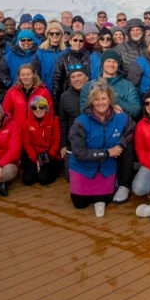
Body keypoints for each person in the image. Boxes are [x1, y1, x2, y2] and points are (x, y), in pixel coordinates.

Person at [67, 79, 135, 216]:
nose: (100, 102)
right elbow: (79, 153)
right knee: (79, 204)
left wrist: (120, 143)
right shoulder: (81, 122)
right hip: (83, 167)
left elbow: (131, 130)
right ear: (91, 101)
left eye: (104, 98)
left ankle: (119, 183)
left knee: (105, 200)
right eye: (96, 99)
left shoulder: (120, 117)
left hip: (106, 168)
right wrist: (107, 152)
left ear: (110, 100)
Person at [20, 95, 62, 185]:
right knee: (27, 180)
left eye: (41, 107)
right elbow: (27, 144)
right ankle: (40, 169)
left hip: (50, 155)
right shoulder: (27, 123)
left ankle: (51, 169)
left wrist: (48, 157)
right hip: (36, 155)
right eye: (34, 107)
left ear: (46, 108)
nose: (38, 110)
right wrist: (35, 159)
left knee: (43, 179)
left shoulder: (54, 120)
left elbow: (56, 141)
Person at [51, 31, 95, 108]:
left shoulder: (87, 58)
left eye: (81, 40)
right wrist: (56, 101)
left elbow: (89, 79)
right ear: (70, 41)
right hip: (66, 96)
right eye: (75, 40)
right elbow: (57, 80)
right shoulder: (63, 58)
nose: (78, 43)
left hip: (84, 96)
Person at [97, 48, 141, 120]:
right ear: (102, 64)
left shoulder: (128, 86)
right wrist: (108, 110)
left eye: (115, 62)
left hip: (122, 126)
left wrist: (115, 100)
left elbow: (136, 110)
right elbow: (84, 109)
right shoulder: (91, 85)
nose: (111, 64)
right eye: (108, 61)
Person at [58, 68, 89, 157]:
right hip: (72, 143)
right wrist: (63, 145)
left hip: (92, 143)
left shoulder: (94, 94)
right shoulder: (65, 97)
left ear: (87, 78)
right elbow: (62, 122)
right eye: (73, 77)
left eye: (79, 75)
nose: (76, 79)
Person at [32, 20, 68, 86]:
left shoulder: (67, 51)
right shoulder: (40, 52)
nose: (54, 35)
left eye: (57, 33)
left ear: (61, 34)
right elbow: (35, 73)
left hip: (62, 91)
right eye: (51, 33)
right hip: (45, 89)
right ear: (48, 35)